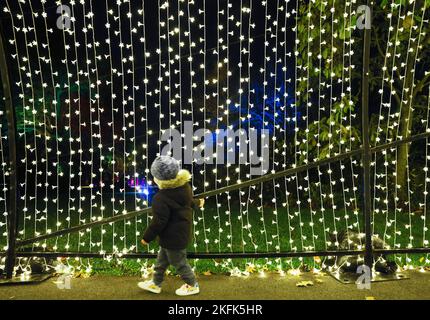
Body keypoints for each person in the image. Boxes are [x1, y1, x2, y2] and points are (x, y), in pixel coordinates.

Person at [138, 156, 204, 296]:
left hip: (173, 238)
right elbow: (189, 201)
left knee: (179, 263)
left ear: (159, 179)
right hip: (178, 235)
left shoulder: (160, 198)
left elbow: (159, 222)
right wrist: (198, 202)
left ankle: (192, 284)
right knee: (161, 262)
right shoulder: (184, 187)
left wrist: (147, 238)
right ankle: (156, 283)